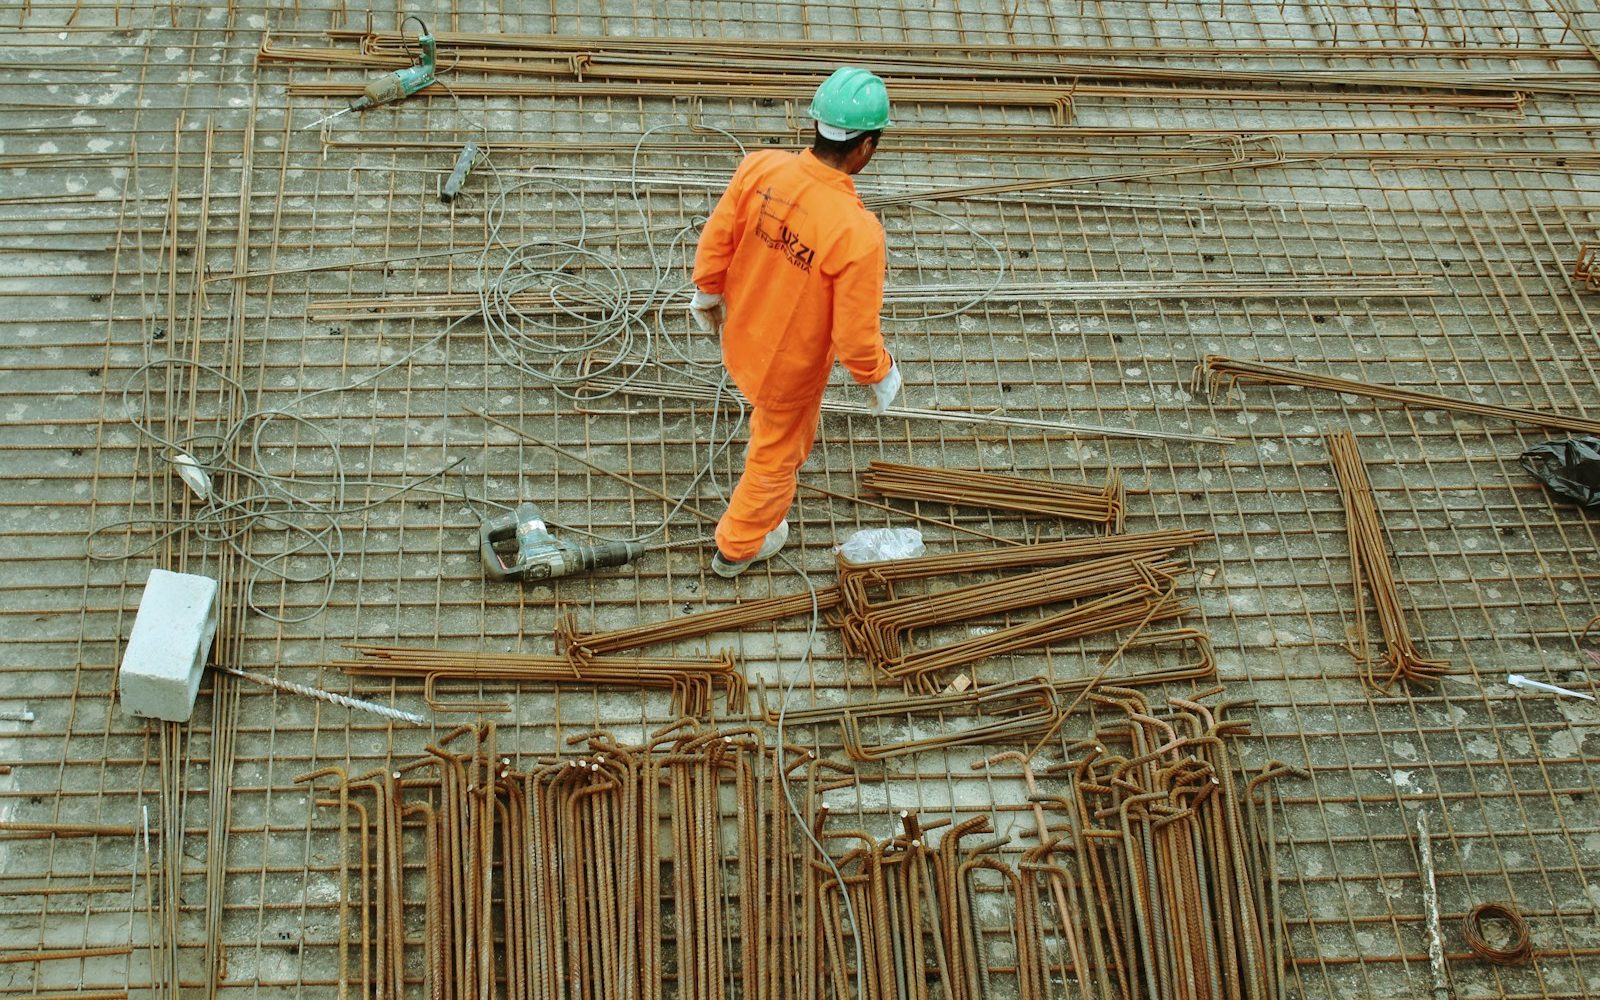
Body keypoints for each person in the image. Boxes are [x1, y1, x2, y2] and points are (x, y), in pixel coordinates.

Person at [688, 66, 902, 579]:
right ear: (866, 148)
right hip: (787, 371)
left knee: (766, 427)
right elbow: (854, 337)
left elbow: (718, 238)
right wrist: (879, 373)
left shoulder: (760, 169)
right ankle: (738, 546)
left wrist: (706, 291)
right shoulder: (857, 233)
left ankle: (746, 532)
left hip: (740, 334)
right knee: (775, 457)